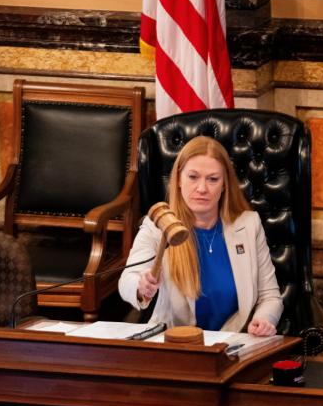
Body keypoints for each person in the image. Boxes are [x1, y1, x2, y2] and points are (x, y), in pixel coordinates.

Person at [119, 136, 282, 336]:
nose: (202, 188)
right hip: (177, 345)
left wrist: (264, 319)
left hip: (233, 343)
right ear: (179, 179)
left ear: (224, 185)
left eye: (213, 179)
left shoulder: (249, 225)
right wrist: (140, 286)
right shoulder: (157, 227)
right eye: (193, 177)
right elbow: (126, 280)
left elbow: (270, 296)